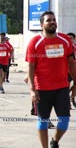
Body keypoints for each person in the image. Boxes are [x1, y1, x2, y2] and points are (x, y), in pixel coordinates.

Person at [25, 11, 76, 148]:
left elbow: (72, 63)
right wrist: (32, 90)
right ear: (42, 25)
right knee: (43, 122)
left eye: (54, 20)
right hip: (42, 89)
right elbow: (30, 67)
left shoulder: (65, 40)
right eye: (48, 20)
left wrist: (75, 83)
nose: (52, 22)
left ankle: (55, 141)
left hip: (61, 87)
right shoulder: (35, 43)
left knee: (64, 121)